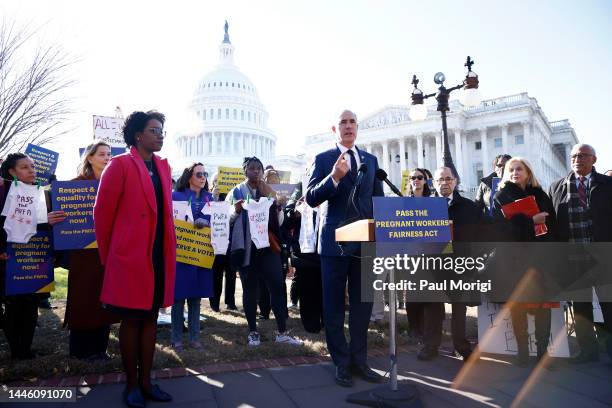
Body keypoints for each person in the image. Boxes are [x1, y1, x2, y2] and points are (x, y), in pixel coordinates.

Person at [94, 110, 176, 407]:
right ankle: (131, 385)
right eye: (154, 130)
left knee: (151, 319)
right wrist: (112, 257)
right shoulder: (119, 166)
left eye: (162, 130)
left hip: (157, 255)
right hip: (129, 258)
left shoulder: (163, 168)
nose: (160, 134)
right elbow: (102, 217)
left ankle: (146, 382)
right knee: (131, 321)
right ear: (138, 135)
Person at [306, 110, 384, 387]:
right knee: (334, 305)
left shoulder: (371, 161)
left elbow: (378, 201)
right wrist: (335, 178)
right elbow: (311, 197)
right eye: (343, 122)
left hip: (364, 242)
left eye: (352, 122)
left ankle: (359, 361)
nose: (348, 126)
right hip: (335, 242)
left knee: (363, 304)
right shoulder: (324, 158)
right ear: (334, 129)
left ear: (357, 128)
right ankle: (340, 362)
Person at [226, 156, 302, 347]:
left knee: (277, 286)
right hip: (248, 248)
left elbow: (281, 222)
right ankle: (253, 331)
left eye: (258, 168)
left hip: (269, 247)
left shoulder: (268, 191)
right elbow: (225, 218)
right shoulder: (236, 191)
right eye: (251, 168)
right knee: (250, 289)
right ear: (245, 171)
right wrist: (235, 211)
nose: (256, 172)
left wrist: (278, 207)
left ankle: (282, 332)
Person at [548, 144, 612, 363]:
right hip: (573, 260)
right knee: (582, 308)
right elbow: (552, 225)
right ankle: (588, 351)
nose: (577, 159)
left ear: (594, 159)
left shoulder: (608, 184)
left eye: (583, 155)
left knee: (609, 306)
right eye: (574, 155)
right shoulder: (557, 187)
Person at [492, 157, 557, 367]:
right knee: (518, 307)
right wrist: (531, 221)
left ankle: (542, 354)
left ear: (528, 172)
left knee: (542, 307)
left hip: (541, 260)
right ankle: (522, 353)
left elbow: (552, 223)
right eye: (511, 170)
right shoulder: (501, 196)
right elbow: (500, 229)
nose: (514, 173)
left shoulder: (540, 194)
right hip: (514, 261)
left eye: (519, 169)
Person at [0, 153, 66, 359]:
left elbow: (42, 225)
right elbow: (7, 223)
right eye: (25, 167)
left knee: (31, 304)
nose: (32, 170)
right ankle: (17, 351)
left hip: (36, 255)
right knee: (14, 306)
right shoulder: (4, 192)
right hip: (10, 258)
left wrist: (51, 224)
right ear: (12, 172)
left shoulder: (39, 191)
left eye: (33, 166)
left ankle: (26, 350)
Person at [62, 141, 119, 360]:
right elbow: (66, 216)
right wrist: (58, 217)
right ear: (90, 157)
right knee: (83, 297)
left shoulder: (114, 184)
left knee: (104, 297)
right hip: (83, 253)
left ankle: (100, 348)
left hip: (107, 251)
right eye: (102, 154)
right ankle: (80, 350)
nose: (107, 158)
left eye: (109, 154)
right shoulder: (75, 185)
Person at [418, 167, 481, 362]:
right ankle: (431, 345)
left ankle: (461, 346)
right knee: (432, 308)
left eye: (448, 179)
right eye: (440, 179)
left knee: (459, 307)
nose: (444, 182)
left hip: (460, 263)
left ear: (455, 181)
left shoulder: (470, 207)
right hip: (432, 263)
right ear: (433, 183)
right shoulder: (423, 207)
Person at [170, 163, 214, 351]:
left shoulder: (210, 198)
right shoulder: (175, 197)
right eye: (199, 174)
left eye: (204, 174)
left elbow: (217, 221)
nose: (203, 177)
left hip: (201, 255)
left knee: (196, 298)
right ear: (189, 177)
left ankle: (195, 339)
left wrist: (207, 220)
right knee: (178, 298)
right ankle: (176, 339)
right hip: (181, 255)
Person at [284, 181, 324, 333]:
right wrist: (295, 212)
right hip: (305, 253)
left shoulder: (333, 182)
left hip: (326, 249)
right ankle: (311, 325)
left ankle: (327, 322)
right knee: (307, 291)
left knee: (325, 291)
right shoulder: (299, 188)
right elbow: (287, 221)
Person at [402, 168, 432, 341]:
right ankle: (414, 328)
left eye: (420, 177)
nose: (416, 180)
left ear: (425, 180)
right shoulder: (404, 202)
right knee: (412, 292)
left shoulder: (433, 202)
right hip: (411, 253)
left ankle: (427, 328)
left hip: (429, 253)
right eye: (413, 178)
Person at [208, 173, 237, 312]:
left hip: (230, 241)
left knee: (231, 273)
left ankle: (230, 302)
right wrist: (213, 196)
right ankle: (214, 303)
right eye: (216, 181)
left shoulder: (232, 197)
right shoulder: (210, 197)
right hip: (216, 242)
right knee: (216, 274)